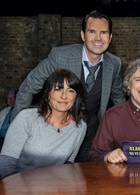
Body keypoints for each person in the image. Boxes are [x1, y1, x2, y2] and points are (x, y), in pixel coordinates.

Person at [10, 10, 126, 162]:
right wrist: (16, 130)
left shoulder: (114, 63)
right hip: (58, 132)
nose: (98, 38)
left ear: (110, 37)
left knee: (87, 180)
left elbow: (118, 98)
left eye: (103, 32)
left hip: (90, 133)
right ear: (83, 35)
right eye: (92, 32)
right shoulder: (60, 57)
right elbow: (28, 87)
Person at [0, 69, 88, 179]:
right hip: (20, 186)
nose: (64, 96)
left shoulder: (80, 126)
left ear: (76, 97)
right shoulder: (27, 118)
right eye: (57, 89)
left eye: (70, 90)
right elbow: (5, 164)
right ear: (48, 94)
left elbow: (68, 163)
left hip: (56, 190)